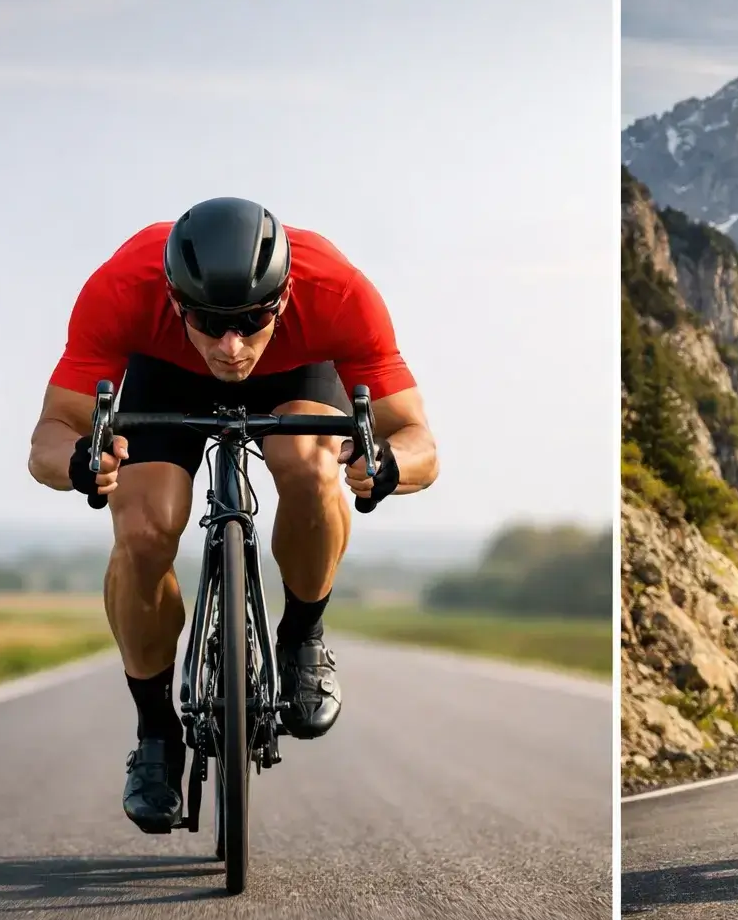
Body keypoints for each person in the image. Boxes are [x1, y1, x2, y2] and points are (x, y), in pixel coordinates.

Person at [26, 197, 438, 833]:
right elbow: (50, 437)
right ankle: (156, 732)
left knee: (311, 467)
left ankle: (302, 636)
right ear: (173, 298)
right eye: (208, 321)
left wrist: (387, 465)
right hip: (166, 374)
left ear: (285, 294)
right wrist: (80, 461)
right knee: (143, 530)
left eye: (252, 319)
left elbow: (418, 441)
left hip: (294, 374)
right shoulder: (123, 287)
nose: (231, 345)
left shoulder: (337, 290)